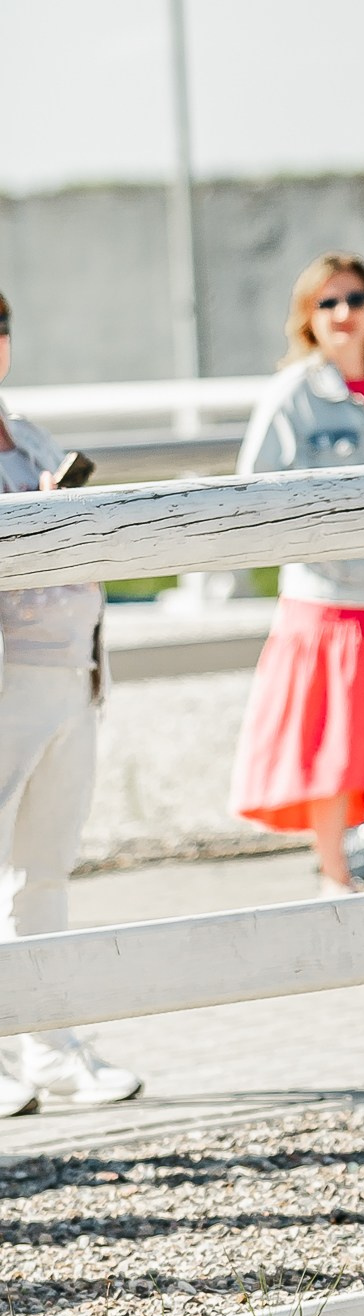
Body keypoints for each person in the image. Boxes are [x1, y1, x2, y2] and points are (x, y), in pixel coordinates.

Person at [229, 255, 364, 894]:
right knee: (335, 740)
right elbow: (250, 493)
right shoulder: (293, 393)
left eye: (354, 298)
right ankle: (333, 872)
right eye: (328, 303)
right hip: (332, 602)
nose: (343, 313)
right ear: (307, 318)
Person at [0, 297, 139, 1116]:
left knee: (42, 875)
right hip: (8, 677)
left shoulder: (32, 432)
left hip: (69, 672)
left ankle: (48, 1048)